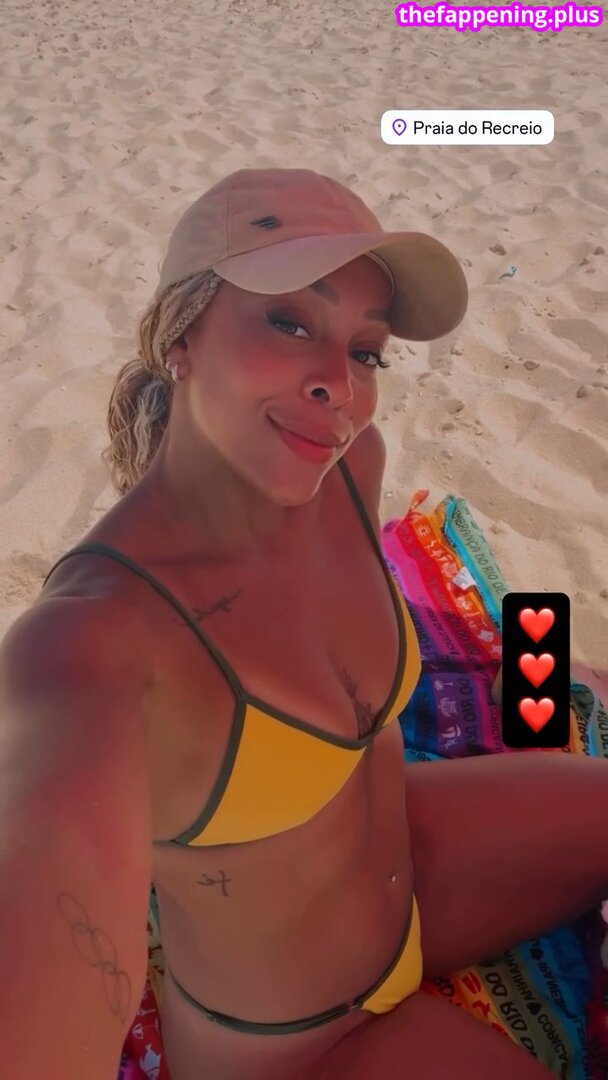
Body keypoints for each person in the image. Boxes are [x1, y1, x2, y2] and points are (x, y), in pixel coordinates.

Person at [2, 167, 607, 1080]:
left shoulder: (351, 469)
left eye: (366, 351)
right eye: (289, 323)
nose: (338, 386)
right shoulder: (85, 647)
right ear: (181, 335)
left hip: (417, 872)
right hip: (310, 1039)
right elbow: (54, 996)